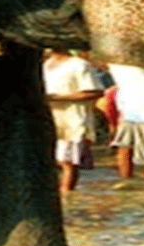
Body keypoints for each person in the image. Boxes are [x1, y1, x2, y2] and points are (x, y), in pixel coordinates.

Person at [42, 50, 104, 193]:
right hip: (49, 119)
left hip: (73, 121)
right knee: (51, 161)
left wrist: (58, 98)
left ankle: (67, 196)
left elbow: (96, 92)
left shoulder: (79, 65)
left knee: (67, 162)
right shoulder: (46, 65)